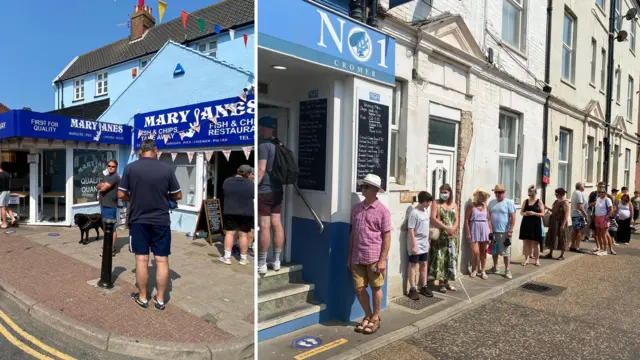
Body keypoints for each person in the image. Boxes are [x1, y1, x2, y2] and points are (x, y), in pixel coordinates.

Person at [118, 139, 182, 311]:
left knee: (141, 259)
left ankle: (143, 297)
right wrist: (165, 198)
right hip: (161, 220)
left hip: (138, 220)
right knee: (161, 260)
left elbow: (121, 193)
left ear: (141, 151)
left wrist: (133, 198)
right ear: (155, 150)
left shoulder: (130, 168)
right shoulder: (166, 168)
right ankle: (160, 300)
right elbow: (178, 196)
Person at [348, 174, 390, 335]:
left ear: (374, 190)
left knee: (376, 287)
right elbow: (352, 234)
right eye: (362, 186)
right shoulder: (356, 209)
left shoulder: (383, 211)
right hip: (357, 255)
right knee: (359, 288)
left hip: (374, 256)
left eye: (366, 186)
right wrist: (349, 256)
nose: (362, 189)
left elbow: (387, 236)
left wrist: (382, 260)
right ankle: (367, 314)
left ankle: (376, 318)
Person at [257, 116, 284, 275]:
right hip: (278, 189)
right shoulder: (279, 144)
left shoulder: (264, 145)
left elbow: (261, 169)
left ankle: (261, 263)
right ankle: (277, 261)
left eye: (260, 127)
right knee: (277, 224)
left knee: (265, 226)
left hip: (265, 190)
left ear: (264, 128)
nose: (259, 130)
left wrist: (254, 187)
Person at [219, 165, 254, 265]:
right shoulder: (251, 184)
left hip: (230, 210)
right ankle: (243, 259)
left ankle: (227, 257)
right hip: (246, 212)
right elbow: (253, 196)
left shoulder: (227, 181)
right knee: (243, 235)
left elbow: (224, 193)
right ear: (247, 174)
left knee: (230, 233)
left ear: (237, 171)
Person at [429, 184, 459, 292]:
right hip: (440, 236)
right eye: (442, 192)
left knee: (450, 259)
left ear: (450, 193)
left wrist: (453, 229)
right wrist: (446, 227)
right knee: (440, 258)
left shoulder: (454, 205)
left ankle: (447, 282)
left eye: (446, 192)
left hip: (451, 236)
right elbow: (432, 218)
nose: (443, 194)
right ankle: (441, 283)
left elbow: (456, 219)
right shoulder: (436, 203)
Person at [407, 191, 434, 300]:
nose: (430, 203)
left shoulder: (426, 212)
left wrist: (428, 239)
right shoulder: (414, 213)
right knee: (413, 265)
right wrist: (414, 245)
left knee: (424, 264)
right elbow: (411, 230)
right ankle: (412, 288)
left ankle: (423, 286)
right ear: (424, 202)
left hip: (424, 243)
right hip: (416, 243)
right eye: (429, 201)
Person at [488, 184, 516, 279]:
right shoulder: (491, 203)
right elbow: (488, 217)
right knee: (494, 251)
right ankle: (495, 267)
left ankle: (507, 270)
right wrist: (490, 230)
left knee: (506, 253)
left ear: (504, 193)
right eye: (496, 192)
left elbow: (513, 217)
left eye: (500, 192)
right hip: (494, 231)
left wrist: (510, 230)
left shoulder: (509, 203)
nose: (498, 194)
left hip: (505, 232)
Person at [465, 188, 492, 280]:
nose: (482, 197)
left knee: (483, 252)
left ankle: (483, 270)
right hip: (475, 229)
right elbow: (466, 220)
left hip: (485, 230)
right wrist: (468, 234)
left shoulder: (486, 207)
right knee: (475, 252)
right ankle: (475, 269)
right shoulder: (471, 206)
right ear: (476, 196)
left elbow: (488, 220)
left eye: (483, 196)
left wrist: (490, 233)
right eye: (480, 195)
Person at [97, 160, 120, 256]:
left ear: (116, 167)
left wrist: (102, 186)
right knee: (106, 227)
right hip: (104, 205)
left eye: (113, 166)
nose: (110, 167)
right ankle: (108, 246)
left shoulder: (115, 177)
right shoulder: (107, 177)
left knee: (111, 228)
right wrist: (101, 185)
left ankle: (111, 250)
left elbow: (102, 188)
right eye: (109, 166)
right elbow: (98, 185)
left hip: (110, 206)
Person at [519, 185, 545, 266]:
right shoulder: (525, 201)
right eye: (529, 194)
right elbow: (521, 212)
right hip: (526, 223)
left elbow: (543, 214)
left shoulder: (539, 202)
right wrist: (525, 213)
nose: (530, 195)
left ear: (535, 193)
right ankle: (526, 259)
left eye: (532, 194)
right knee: (526, 242)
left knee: (536, 243)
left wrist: (534, 213)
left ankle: (537, 260)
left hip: (536, 224)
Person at [544, 188, 570, 260]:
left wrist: (563, 224)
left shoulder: (565, 202)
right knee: (552, 236)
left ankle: (562, 255)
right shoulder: (556, 201)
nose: (555, 196)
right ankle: (550, 253)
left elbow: (566, 214)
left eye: (556, 194)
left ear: (560, 194)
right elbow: (554, 210)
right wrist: (547, 208)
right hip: (554, 222)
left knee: (562, 237)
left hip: (560, 222)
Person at [593, 187, 613, 256]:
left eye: (602, 192)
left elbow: (611, 209)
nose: (601, 193)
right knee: (598, 234)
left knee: (604, 235)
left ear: (605, 193)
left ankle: (605, 250)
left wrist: (607, 216)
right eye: (599, 192)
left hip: (604, 217)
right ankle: (601, 249)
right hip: (597, 217)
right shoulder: (598, 199)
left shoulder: (607, 199)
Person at [569, 182, 588, 252]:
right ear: (580, 187)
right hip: (578, 215)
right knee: (580, 231)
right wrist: (586, 215)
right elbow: (580, 206)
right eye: (583, 186)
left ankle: (572, 246)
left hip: (575, 214)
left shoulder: (575, 192)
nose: (584, 187)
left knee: (575, 230)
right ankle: (577, 247)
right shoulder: (579, 193)